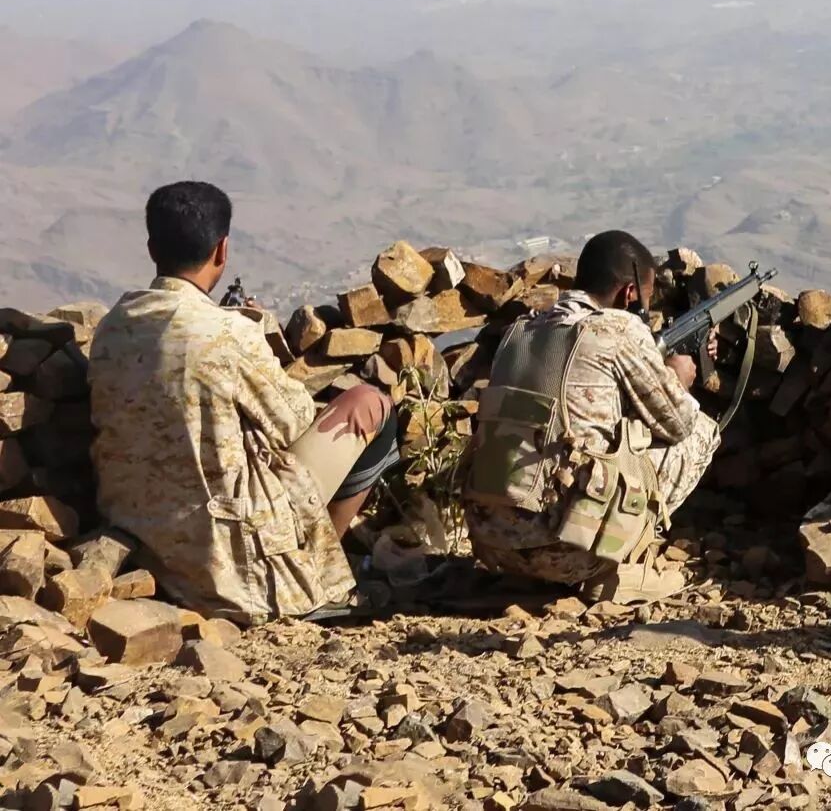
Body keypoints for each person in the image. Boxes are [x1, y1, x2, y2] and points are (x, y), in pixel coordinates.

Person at [89, 181, 399, 624]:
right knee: (369, 404)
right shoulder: (227, 333)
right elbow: (295, 422)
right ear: (222, 249)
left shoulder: (113, 327)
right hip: (228, 564)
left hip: (139, 538)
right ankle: (318, 577)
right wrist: (257, 342)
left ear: (152, 248)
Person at [463, 230, 722, 603]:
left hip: (494, 547)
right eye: (645, 300)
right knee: (701, 430)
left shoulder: (519, 331)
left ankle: (536, 572)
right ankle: (618, 564)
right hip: (569, 554)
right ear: (629, 294)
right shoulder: (618, 329)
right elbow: (677, 424)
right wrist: (677, 380)